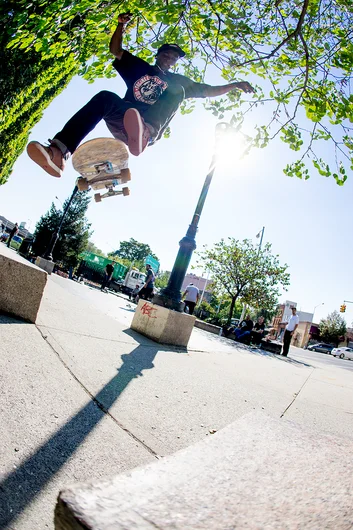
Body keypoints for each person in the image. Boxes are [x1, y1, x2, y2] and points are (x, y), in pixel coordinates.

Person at [26, 12, 255, 178]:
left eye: (174, 57)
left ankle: (147, 131)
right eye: (166, 54)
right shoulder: (139, 68)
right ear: (158, 55)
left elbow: (207, 90)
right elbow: (116, 51)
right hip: (124, 118)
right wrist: (120, 26)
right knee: (105, 96)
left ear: (176, 62)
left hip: (145, 132)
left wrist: (234, 85)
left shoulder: (177, 80)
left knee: (179, 90)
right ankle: (58, 152)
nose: (169, 58)